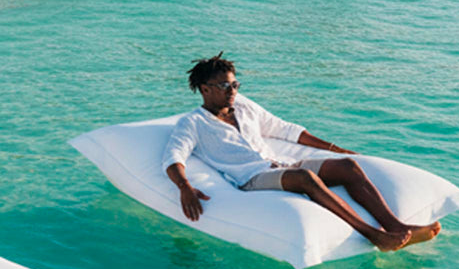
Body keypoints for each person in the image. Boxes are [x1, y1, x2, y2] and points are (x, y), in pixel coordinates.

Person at [163, 54, 441, 252]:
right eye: (225, 86)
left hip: (282, 164)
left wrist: (335, 149)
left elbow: (285, 130)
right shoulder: (193, 123)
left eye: (235, 84)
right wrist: (185, 187)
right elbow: (174, 157)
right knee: (305, 177)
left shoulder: (244, 107)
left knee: (347, 167)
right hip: (252, 177)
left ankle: (396, 226)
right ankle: (374, 235)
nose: (232, 91)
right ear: (205, 89)